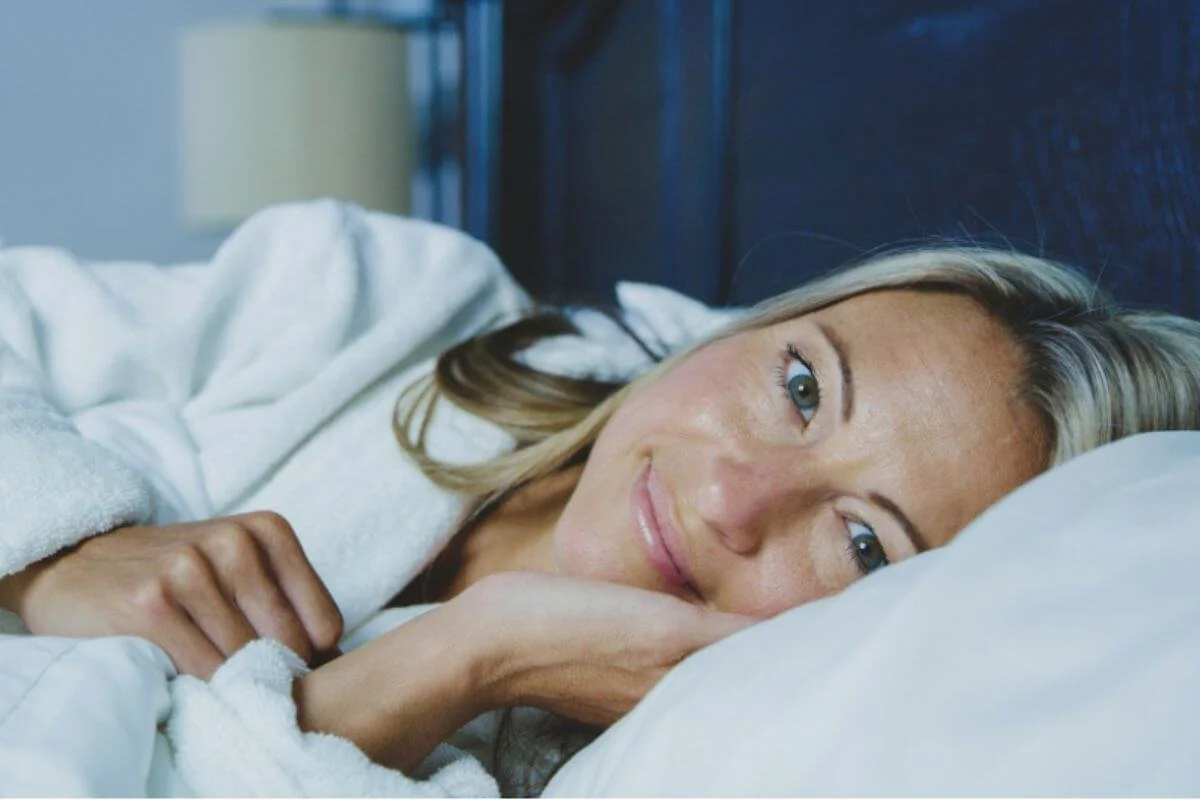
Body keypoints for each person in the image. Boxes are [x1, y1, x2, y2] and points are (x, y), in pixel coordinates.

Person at [1, 201, 1199, 795]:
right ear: (752, 325)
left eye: (863, 544)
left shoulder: (641, 769)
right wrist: (57, 544)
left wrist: (467, 658)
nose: (736, 494)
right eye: (798, 384)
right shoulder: (396, 301)